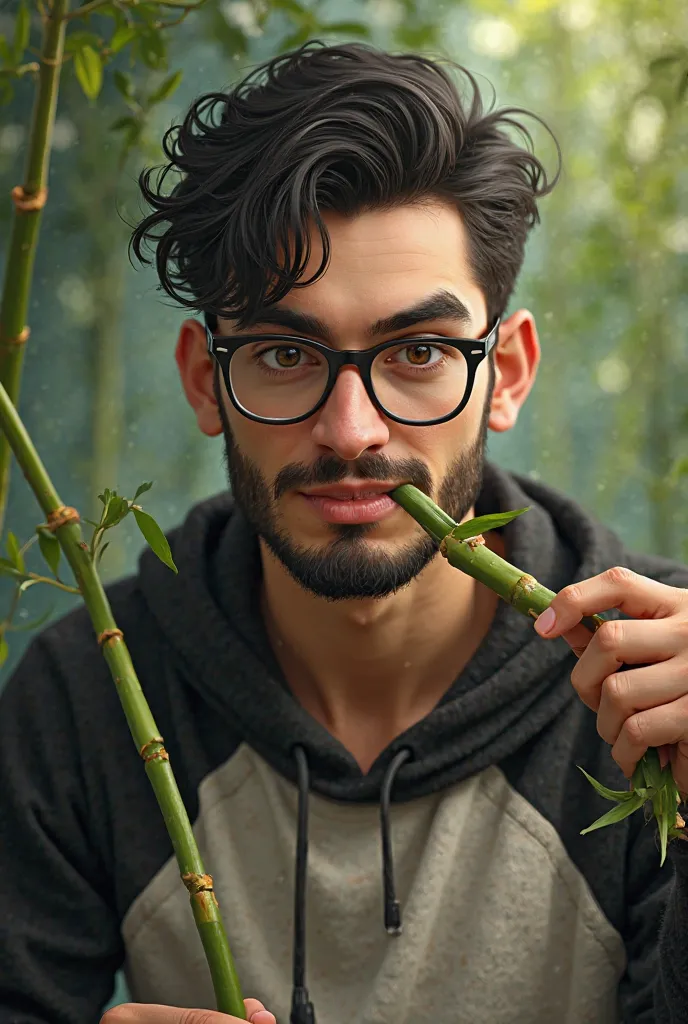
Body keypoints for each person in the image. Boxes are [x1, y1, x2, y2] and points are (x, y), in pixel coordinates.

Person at [1, 41, 688, 1024]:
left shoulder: (657, 689)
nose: (351, 430)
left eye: (416, 351)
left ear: (509, 371)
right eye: (286, 351)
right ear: (206, 379)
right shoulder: (91, 692)